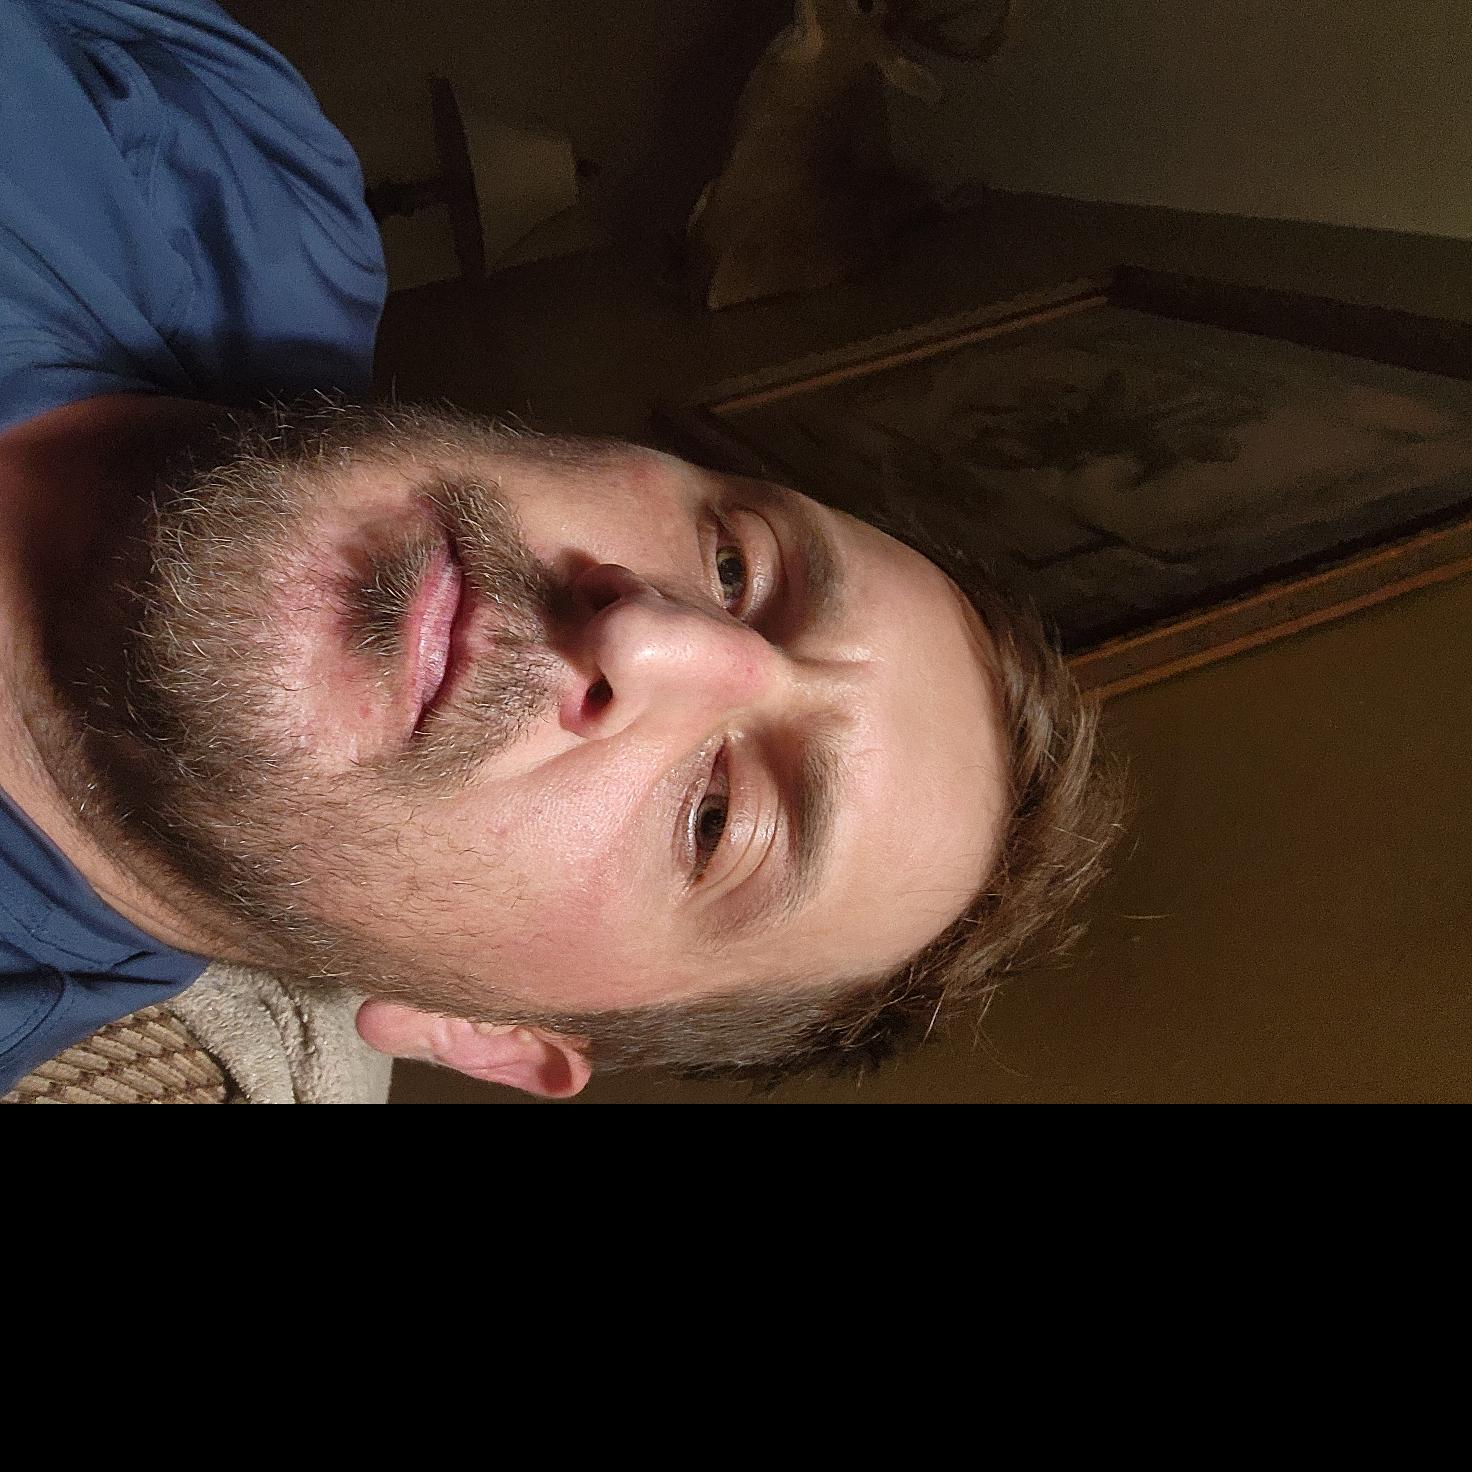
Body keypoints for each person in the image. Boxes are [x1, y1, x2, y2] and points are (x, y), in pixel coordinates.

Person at [0, 0, 1118, 1099]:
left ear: (484, 1034)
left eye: (715, 821)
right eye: (735, 569)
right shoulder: (253, 168)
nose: (648, 635)